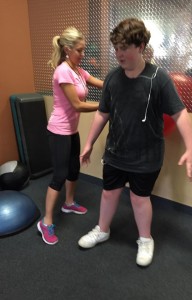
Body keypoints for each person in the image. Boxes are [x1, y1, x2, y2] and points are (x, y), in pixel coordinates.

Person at [78, 18, 192, 267]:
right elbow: (103, 112)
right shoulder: (112, 78)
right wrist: (89, 142)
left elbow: (179, 113)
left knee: (138, 198)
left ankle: (145, 239)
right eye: (116, 48)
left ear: (141, 46)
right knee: (109, 192)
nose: (118, 54)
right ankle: (102, 229)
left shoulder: (159, 78)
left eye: (124, 48)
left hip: (147, 155)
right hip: (115, 152)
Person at [37, 27, 103, 245]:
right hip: (58, 130)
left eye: (84, 50)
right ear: (67, 49)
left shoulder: (78, 70)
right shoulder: (63, 71)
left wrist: (120, 81)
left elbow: (99, 83)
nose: (83, 54)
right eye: (80, 50)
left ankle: (69, 202)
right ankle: (46, 222)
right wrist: (105, 105)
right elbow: (77, 105)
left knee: (74, 170)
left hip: (71, 130)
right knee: (60, 175)